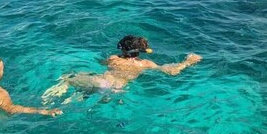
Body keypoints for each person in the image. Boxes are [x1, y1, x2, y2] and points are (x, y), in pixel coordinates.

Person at [42, 35, 202, 100]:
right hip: (119, 88)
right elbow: (170, 70)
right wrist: (187, 62)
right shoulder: (146, 64)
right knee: (100, 97)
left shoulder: (113, 58)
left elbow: (102, 64)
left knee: (68, 77)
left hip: (103, 81)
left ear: (123, 49)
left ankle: (62, 90)